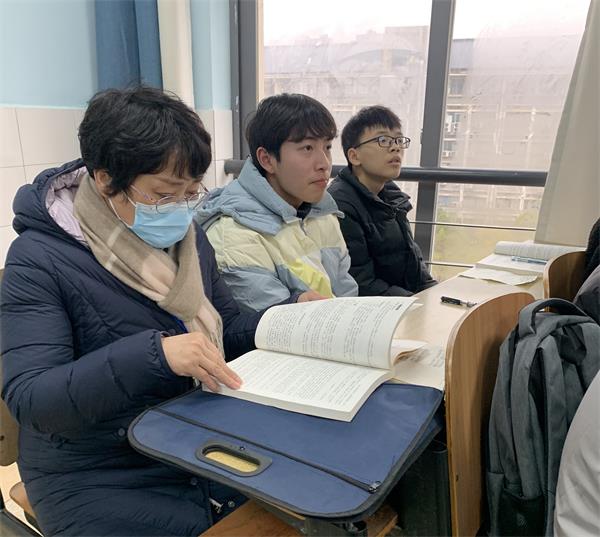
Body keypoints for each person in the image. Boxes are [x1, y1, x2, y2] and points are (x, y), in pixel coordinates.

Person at [0, 87, 307, 537]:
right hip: (96, 471)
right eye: (164, 195)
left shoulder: (188, 240)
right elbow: (33, 399)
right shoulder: (39, 259)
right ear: (105, 180)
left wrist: (290, 318)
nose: (181, 209)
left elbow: (226, 329)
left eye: (191, 192)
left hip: (190, 435)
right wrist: (156, 356)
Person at [196, 93, 358, 311]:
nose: (324, 163)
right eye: (307, 148)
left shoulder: (322, 214)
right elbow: (275, 322)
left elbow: (347, 296)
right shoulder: (234, 233)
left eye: (327, 147)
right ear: (267, 159)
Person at [328, 106, 436, 296]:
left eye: (398, 140)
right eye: (383, 140)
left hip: (405, 301)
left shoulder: (393, 197)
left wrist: (438, 295)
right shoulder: (340, 204)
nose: (395, 147)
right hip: (378, 308)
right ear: (354, 156)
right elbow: (362, 284)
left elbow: (416, 270)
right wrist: (418, 303)